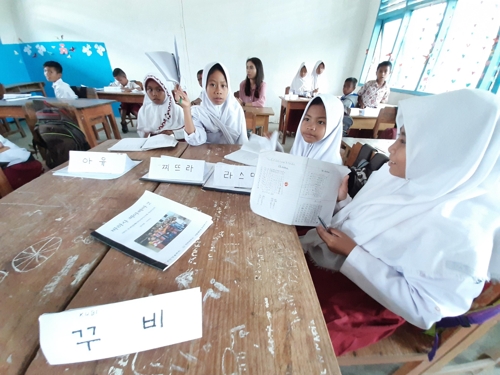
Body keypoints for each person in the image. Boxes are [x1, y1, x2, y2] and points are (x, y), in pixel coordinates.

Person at [300, 89, 500, 355]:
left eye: (403, 140)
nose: (391, 147)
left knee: (295, 332)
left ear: (446, 150)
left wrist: (353, 254)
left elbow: (424, 309)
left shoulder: (461, 230)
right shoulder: (396, 176)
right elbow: (367, 226)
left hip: (372, 303)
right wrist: (343, 202)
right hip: (341, 262)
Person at [173, 62, 248, 145]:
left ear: (228, 88)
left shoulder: (236, 110)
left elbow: (243, 142)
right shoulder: (199, 113)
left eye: (223, 85)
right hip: (207, 156)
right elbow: (195, 140)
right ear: (205, 86)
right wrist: (186, 108)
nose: (218, 91)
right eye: (212, 85)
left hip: (233, 156)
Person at [290, 94, 343, 165]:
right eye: (307, 119)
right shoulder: (300, 146)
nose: (310, 127)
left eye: (320, 122)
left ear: (333, 127)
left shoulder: (332, 164)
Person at [137, 73, 184, 138]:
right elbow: (141, 131)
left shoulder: (177, 110)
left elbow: (187, 131)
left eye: (159, 90)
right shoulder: (144, 110)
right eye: (150, 90)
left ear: (166, 90)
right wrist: (148, 134)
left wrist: (172, 132)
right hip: (152, 143)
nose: (154, 94)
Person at [110, 68, 143, 133]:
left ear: (125, 77)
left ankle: (140, 123)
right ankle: (123, 122)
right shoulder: (118, 84)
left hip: (134, 103)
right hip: (125, 103)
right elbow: (110, 87)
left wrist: (130, 90)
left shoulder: (131, 83)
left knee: (134, 110)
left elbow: (139, 89)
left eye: (120, 80)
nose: (119, 82)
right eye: (117, 80)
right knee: (124, 106)